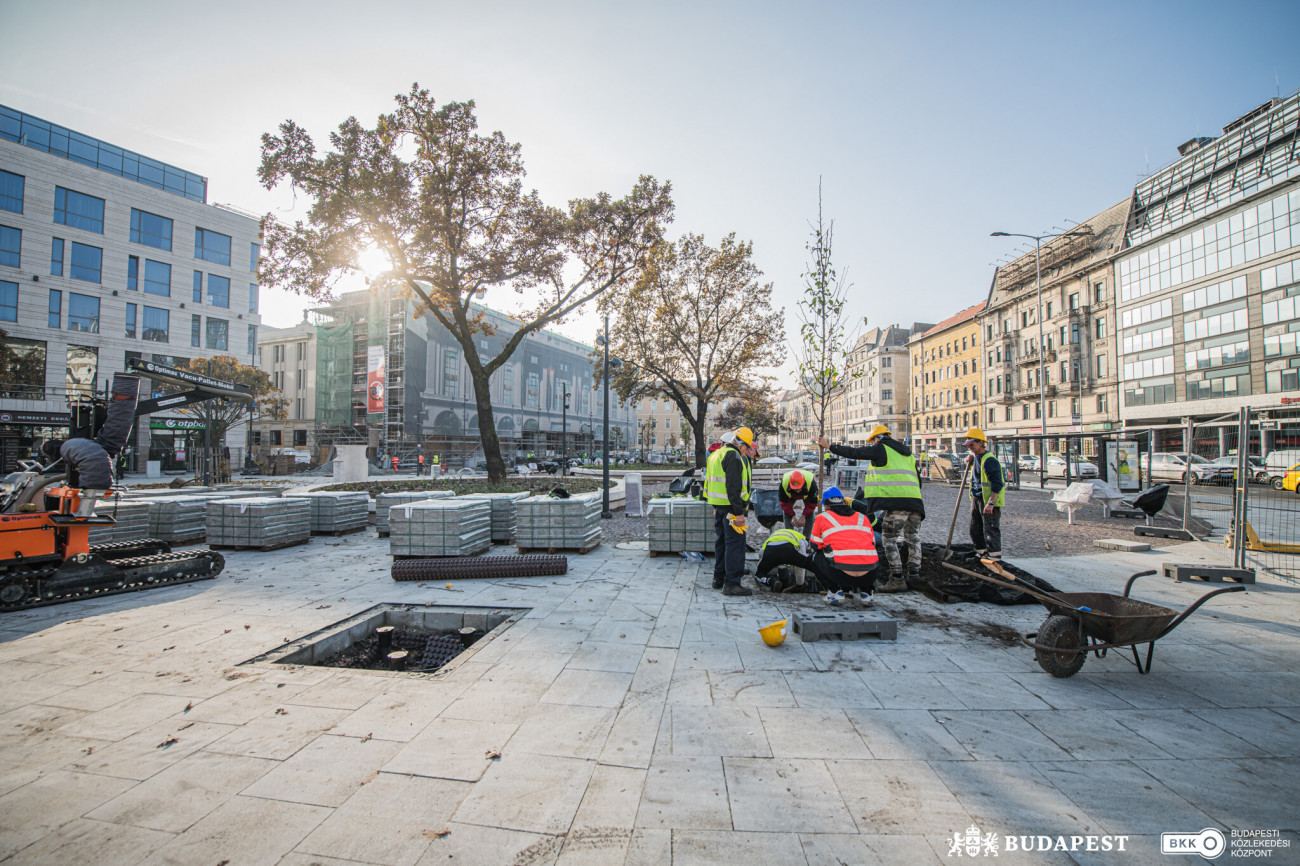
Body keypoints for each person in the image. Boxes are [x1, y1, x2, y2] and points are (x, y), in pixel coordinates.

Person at [817, 425, 923, 592]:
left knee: (889, 539)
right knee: (913, 538)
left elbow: (855, 453)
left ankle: (897, 579)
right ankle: (915, 576)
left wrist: (829, 446)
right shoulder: (907, 453)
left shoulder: (881, 448)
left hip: (896, 503)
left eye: (873, 441)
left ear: (877, 438)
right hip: (916, 502)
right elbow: (918, 480)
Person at [704, 426, 759, 597]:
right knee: (735, 545)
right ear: (741, 445)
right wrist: (739, 513)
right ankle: (732, 583)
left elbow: (709, 483)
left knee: (721, 544)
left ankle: (718, 578)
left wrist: (714, 506)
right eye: (747, 447)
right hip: (731, 509)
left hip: (719, 508)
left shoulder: (715, 454)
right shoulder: (733, 456)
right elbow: (733, 489)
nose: (746, 451)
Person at [809, 486, 880, 606]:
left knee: (815, 556)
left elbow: (815, 545)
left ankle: (835, 592)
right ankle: (867, 594)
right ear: (843, 501)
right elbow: (873, 543)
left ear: (826, 505)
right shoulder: (862, 517)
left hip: (840, 574)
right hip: (870, 574)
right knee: (869, 552)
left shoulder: (822, 517)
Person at [962, 427, 1004, 567]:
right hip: (977, 498)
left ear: (980, 443)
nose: (971, 449)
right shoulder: (978, 458)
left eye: (972, 445)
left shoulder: (989, 460)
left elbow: (998, 483)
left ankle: (994, 560)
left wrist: (991, 502)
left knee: (990, 530)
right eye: (969, 447)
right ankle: (981, 555)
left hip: (988, 501)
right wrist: (971, 460)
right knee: (975, 528)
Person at [778, 467, 818, 536]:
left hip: (806, 494)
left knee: (810, 514)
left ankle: (806, 539)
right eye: (795, 489)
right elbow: (784, 504)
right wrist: (792, 516)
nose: (797, 491)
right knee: (786, 514)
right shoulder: (783, 484)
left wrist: (803, 517)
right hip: (790, 495)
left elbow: (812, 504)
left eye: (798, 489)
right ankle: (790, 537)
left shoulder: (811, 484)